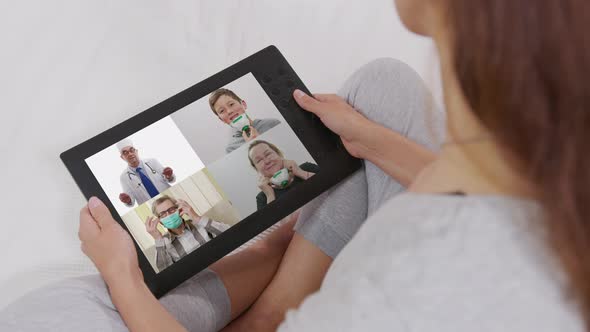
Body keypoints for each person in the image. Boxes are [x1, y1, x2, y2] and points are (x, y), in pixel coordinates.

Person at [2, 0, 588, 331]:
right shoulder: (555, 191)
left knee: (52, 316)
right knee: (382, 89)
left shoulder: (397, 294)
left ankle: (267, 299)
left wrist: (125, 277)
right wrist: (374, 142)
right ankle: (279, 277)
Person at [146, 195, 231, 271]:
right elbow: (165, 271)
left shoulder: (200, 223)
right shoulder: (163, 244)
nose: (168, 215)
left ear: (180, 211)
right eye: (163, 214)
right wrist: (157, 239)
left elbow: (230, 233)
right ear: (160, 222)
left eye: (171, 209)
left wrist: (197, 218)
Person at [248, 140, 319, 210]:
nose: (267, 161)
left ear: (278, 154)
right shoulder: (262, 198)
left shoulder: (306, 168)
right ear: (256, 168)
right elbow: (273, 220)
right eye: (259, 160)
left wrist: (301, 173)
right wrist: (270, 196)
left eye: (268, 154)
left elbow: (329, 182)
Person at [209, 88, 281, 154]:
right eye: (222, 111)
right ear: (222, 120)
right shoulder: (231, 149)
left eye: (231, 104)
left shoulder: (273, 124)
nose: (229, 111)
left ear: (243, 104)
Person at [117, 139, 176, 207]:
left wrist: (169, 176)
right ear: (122, 157)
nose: (130, 153)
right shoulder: (123, 177)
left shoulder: (152, 161)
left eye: (132, 150)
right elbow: (131, 202)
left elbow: (170, 179)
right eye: (125, 152)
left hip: (169, 197)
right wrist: (128, 200)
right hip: (151, 206)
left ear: (136, 151)